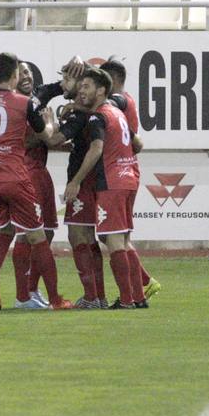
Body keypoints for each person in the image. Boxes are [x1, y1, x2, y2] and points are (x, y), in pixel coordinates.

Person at [0, 52, 70, 310]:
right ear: (15, 74)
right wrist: (49, 122)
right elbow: (46, 135)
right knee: (38, 237)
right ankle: (49, 298)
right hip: (15, 177)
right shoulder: (23, 103)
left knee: (4, 232)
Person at [64, 67, 146, 309]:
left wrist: (76, 180)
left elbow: (96, 148)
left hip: (112, 182)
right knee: (124, 239)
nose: (81, 90)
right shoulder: (116, 112)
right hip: (130, 177)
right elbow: (138, 142)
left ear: (101, 90)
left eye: (87, 86)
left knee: (113, 242)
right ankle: (138, 297)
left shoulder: (98, 117)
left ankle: (127, 300)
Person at [98, 59, 160, 302]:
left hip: (118, 170)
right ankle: (141, 287)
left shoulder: (120, 100)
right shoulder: (126, 102)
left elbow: (109, 102)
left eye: (101, 80)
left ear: (111, 82)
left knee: (115, 236)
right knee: (116, 236)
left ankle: (133, 293)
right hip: (127, 169)